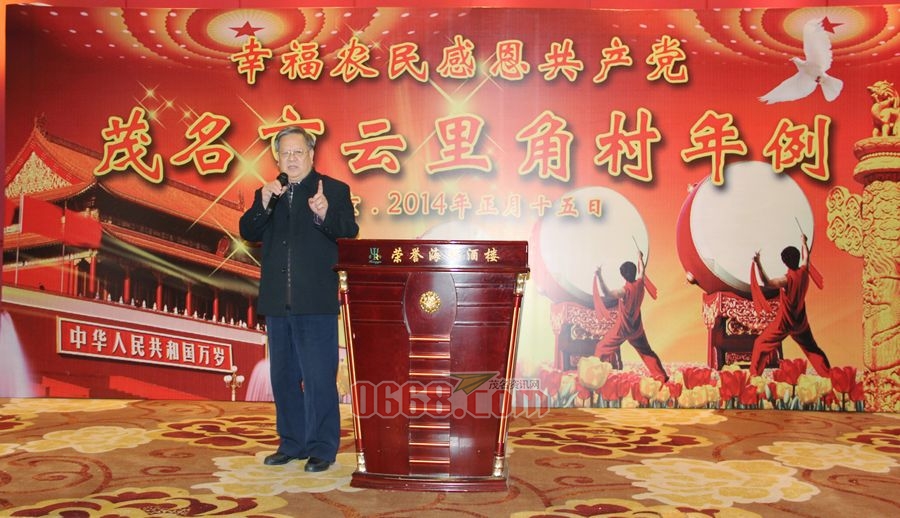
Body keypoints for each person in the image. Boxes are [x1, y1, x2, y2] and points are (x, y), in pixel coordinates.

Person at [239, 127, 359, 473]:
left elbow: (349, 232)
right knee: (283, 377)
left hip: (315, 301)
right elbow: (248, 231)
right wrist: (263, 205)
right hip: (278, 302)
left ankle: (322, 447)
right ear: (277, 158)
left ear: (311, 154)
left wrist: (323, 213)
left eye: (298, 152)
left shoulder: (333, 190)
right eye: (285, 153)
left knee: (319, 378)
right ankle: (292, 443)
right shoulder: (269, 192)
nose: (291, 159)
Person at [749, 234, 831, 377]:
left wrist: (758, 263)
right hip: (800, 322)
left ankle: (755, 377)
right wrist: (804, 242)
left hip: (784, 322)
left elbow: (767, 283)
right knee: (812, 349)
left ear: (785, 262)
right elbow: (807, 257)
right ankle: (829, 375)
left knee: (760, 344)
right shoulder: (804, 271)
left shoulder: (787, 280)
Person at [592, 251, 668, 381]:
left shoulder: (624, 291)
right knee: (646, 352)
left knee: (601, 347)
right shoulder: (640, 283)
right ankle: (661, 375)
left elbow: (607, 293)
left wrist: (599, 275)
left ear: (623, 275)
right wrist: (640, 258)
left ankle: (594, 375)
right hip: (636, 329)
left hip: (622, 329)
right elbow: (642, 271)